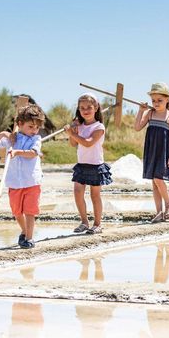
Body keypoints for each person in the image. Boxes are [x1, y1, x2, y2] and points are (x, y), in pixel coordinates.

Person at [0, 104, 45, 249]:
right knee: (17, 212)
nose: (34, 130)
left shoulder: (36, 139)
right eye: (30, 127)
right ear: (20, 124)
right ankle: (24, 232)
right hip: (14, 182)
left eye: (36, 127)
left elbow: (32, 153)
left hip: (31, 181)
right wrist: (3, 134)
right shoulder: (11, 139)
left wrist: (17, 152)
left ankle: (29, 238)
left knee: (30, 211)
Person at [64, 93, 112, 234]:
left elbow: (88, 143)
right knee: (77, 192)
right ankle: (84, 222)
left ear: (96, 108)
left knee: (94, 195)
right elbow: (73, 144)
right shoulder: (80, 126)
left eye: (89, 107)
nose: (85, 110)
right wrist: (73, 130)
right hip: (82, 164)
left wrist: (72, 133)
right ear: (79, 110)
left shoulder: (99, 127)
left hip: (96, 165)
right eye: (82, 108)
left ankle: (97, 224)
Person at [135, 82, 169, 223]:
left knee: (159, 179)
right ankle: (159, 212)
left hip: (163, 151)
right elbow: (137, 127)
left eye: (160, 100)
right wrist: (141, 111)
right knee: (154, 183)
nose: (156, 103)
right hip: (151, 150)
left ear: (167, 100)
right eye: (154, 101)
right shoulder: (149, 113)